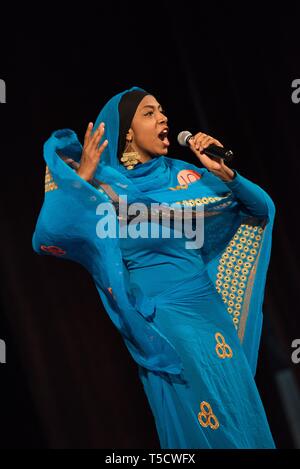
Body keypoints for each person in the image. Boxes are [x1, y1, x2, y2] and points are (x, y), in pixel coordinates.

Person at [32, 86, 276, 449]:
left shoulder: (186, 176)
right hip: (164, 319)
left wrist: (226, 175)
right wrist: (80, 181)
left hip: (210, 314)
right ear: (127, 132)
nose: (163, 117)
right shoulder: (105, 189)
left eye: (162, 110)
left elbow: (261, 210)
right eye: (149, 113)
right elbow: (47, 238)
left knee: (240, 410)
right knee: (203, 420)